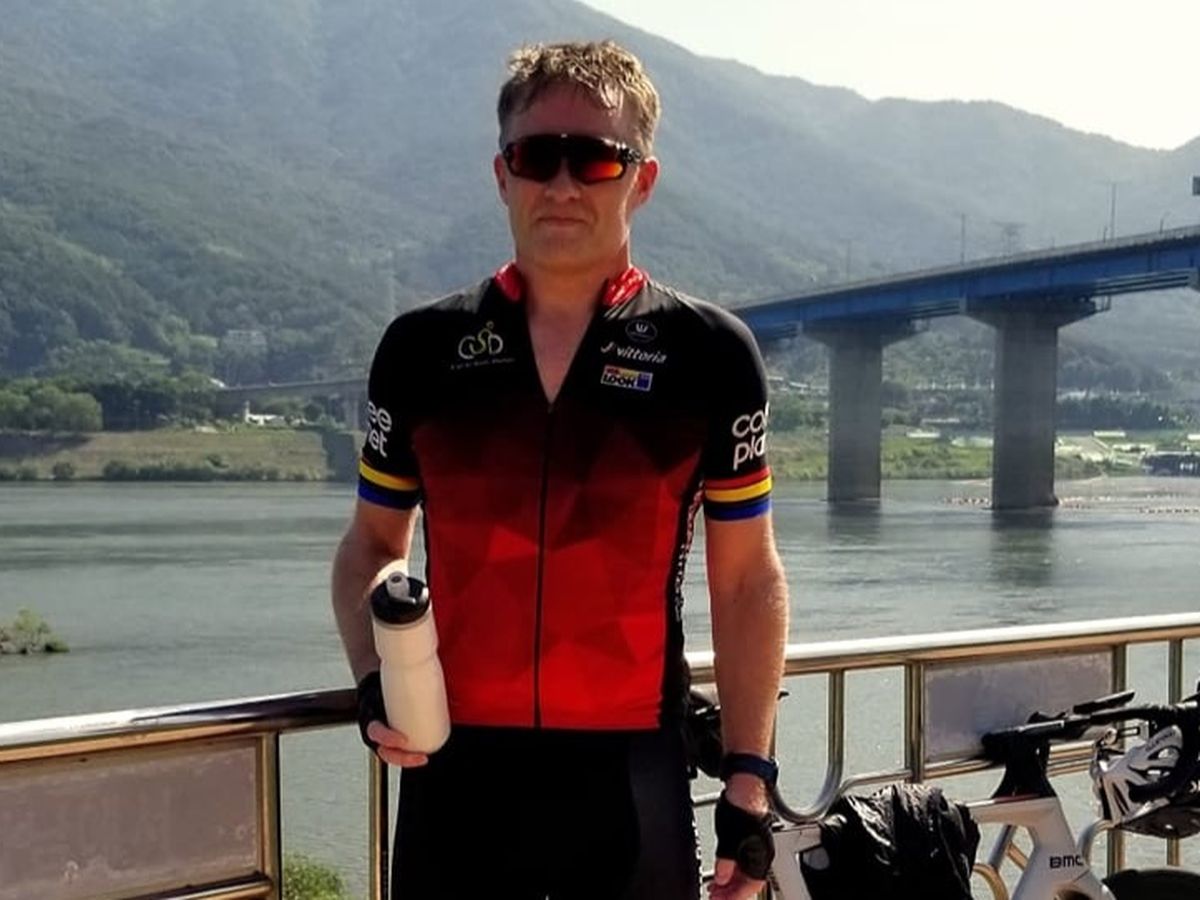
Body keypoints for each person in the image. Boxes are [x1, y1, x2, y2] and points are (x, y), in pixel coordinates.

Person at [331, 39, 788, 900]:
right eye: (538, 157)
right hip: (453, 776)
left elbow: (746, 581)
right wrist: (373, 681)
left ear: (641, 181)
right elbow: (370, 547)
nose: (564, 185)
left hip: (631, 781)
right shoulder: (422, 350)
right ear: (502, 175)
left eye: (597, 159)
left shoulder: (709, 355)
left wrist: (749, 777)